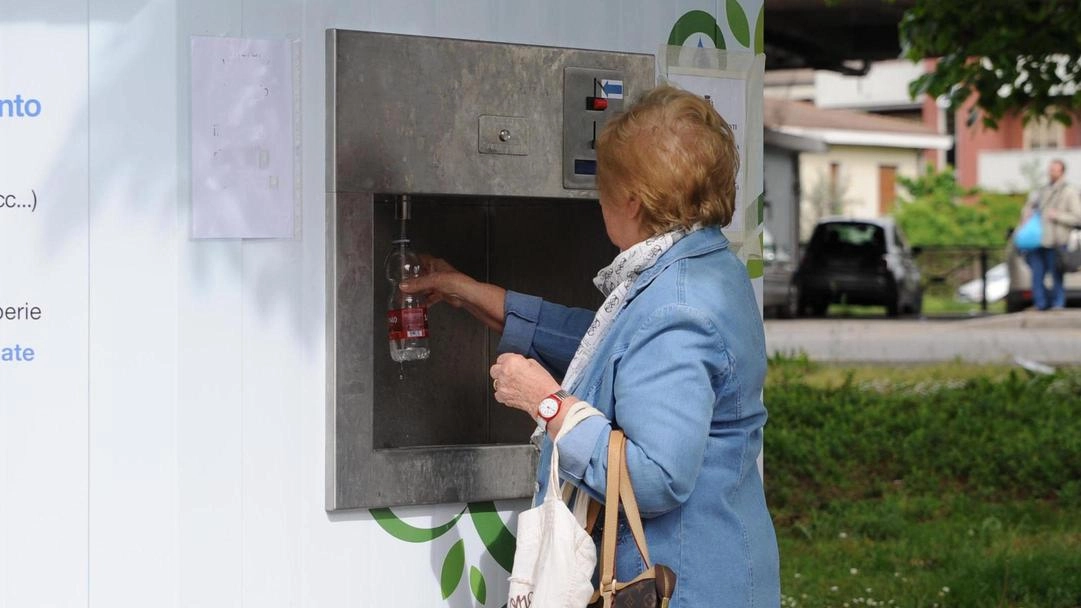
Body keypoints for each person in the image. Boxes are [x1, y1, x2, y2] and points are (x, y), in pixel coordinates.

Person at [401, 85, 779, 607]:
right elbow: (616, 349)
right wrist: (472, 294)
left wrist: (548, 404)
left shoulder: (677, 305)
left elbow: (656, 478)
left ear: (631, 200)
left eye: (602, 186)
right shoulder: (703, 268)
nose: (596, 199)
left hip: (679, 586)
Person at [1021, 159, 1081, 310]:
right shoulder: (1042, 191)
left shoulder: (1069, 192)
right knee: (1037, 274)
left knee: (1056, 275)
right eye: (1050, 169)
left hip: (1057, 241)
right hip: (1037, 240)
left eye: (1055, 170)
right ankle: (1040, 303)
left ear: (1062, 172)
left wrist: (1057, 216)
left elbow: (1077, 217)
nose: (1051, 172)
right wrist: (1026, 214)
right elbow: (1029, 207)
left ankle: (1057, 303)